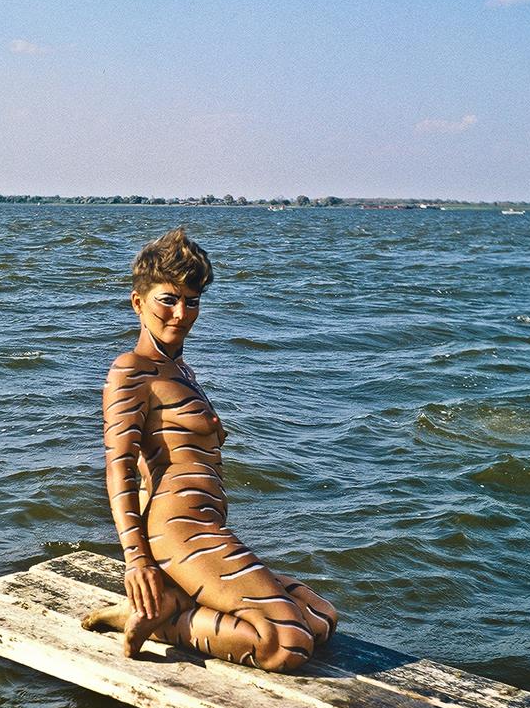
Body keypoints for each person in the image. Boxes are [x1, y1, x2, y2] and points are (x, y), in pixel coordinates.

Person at [82, 227, 338, 671]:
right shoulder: (131, 371)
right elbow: (119, 467)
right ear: (138, 302)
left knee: (321, 617)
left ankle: (173, 602)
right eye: (168, 300)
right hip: (177, 531)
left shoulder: (181, 370)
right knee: (288, 645)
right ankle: (163, 620)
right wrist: (137, 560)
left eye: (192, 301)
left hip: (207, 525)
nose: (181, 314)